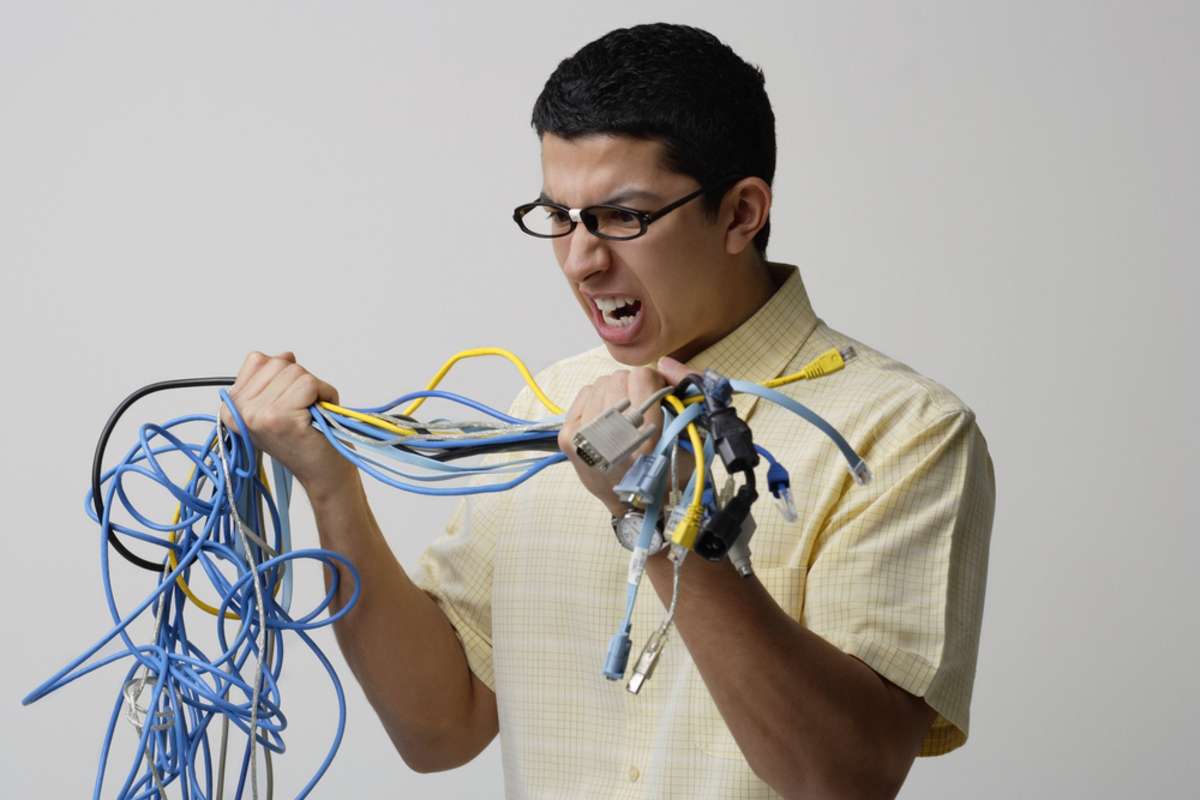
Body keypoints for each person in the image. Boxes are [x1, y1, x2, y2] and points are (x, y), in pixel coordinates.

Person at [222, 23, 995, 799]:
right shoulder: (548, 404)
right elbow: (439, 728)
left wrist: (660, 519)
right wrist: (331, 488)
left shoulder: (903, 433)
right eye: (559, 214)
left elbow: (843, 781)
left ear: (740, 214)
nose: (581, 260)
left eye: (622, 216)